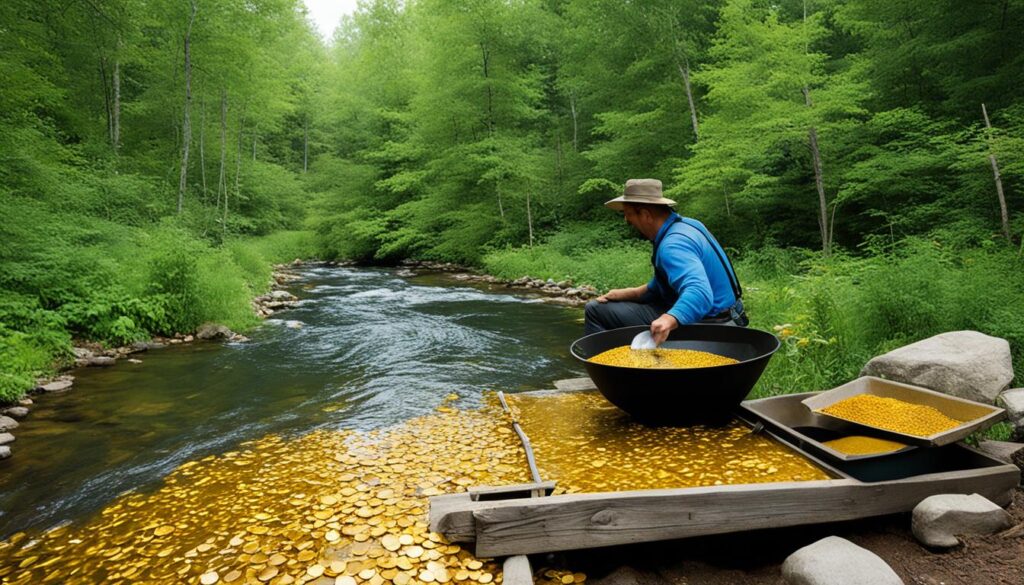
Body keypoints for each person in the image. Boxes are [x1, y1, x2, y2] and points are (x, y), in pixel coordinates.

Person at [584, 178, 747, 344]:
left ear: (646, 215)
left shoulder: (672, 245)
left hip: (711, 326)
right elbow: (666, 284)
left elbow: (700, 293)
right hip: (732, 317)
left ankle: (609, 367)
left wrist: (668, 319)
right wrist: (629, 293)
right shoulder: (689, 225)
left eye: (628, 214)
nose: (627, 220)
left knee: (595, 311)